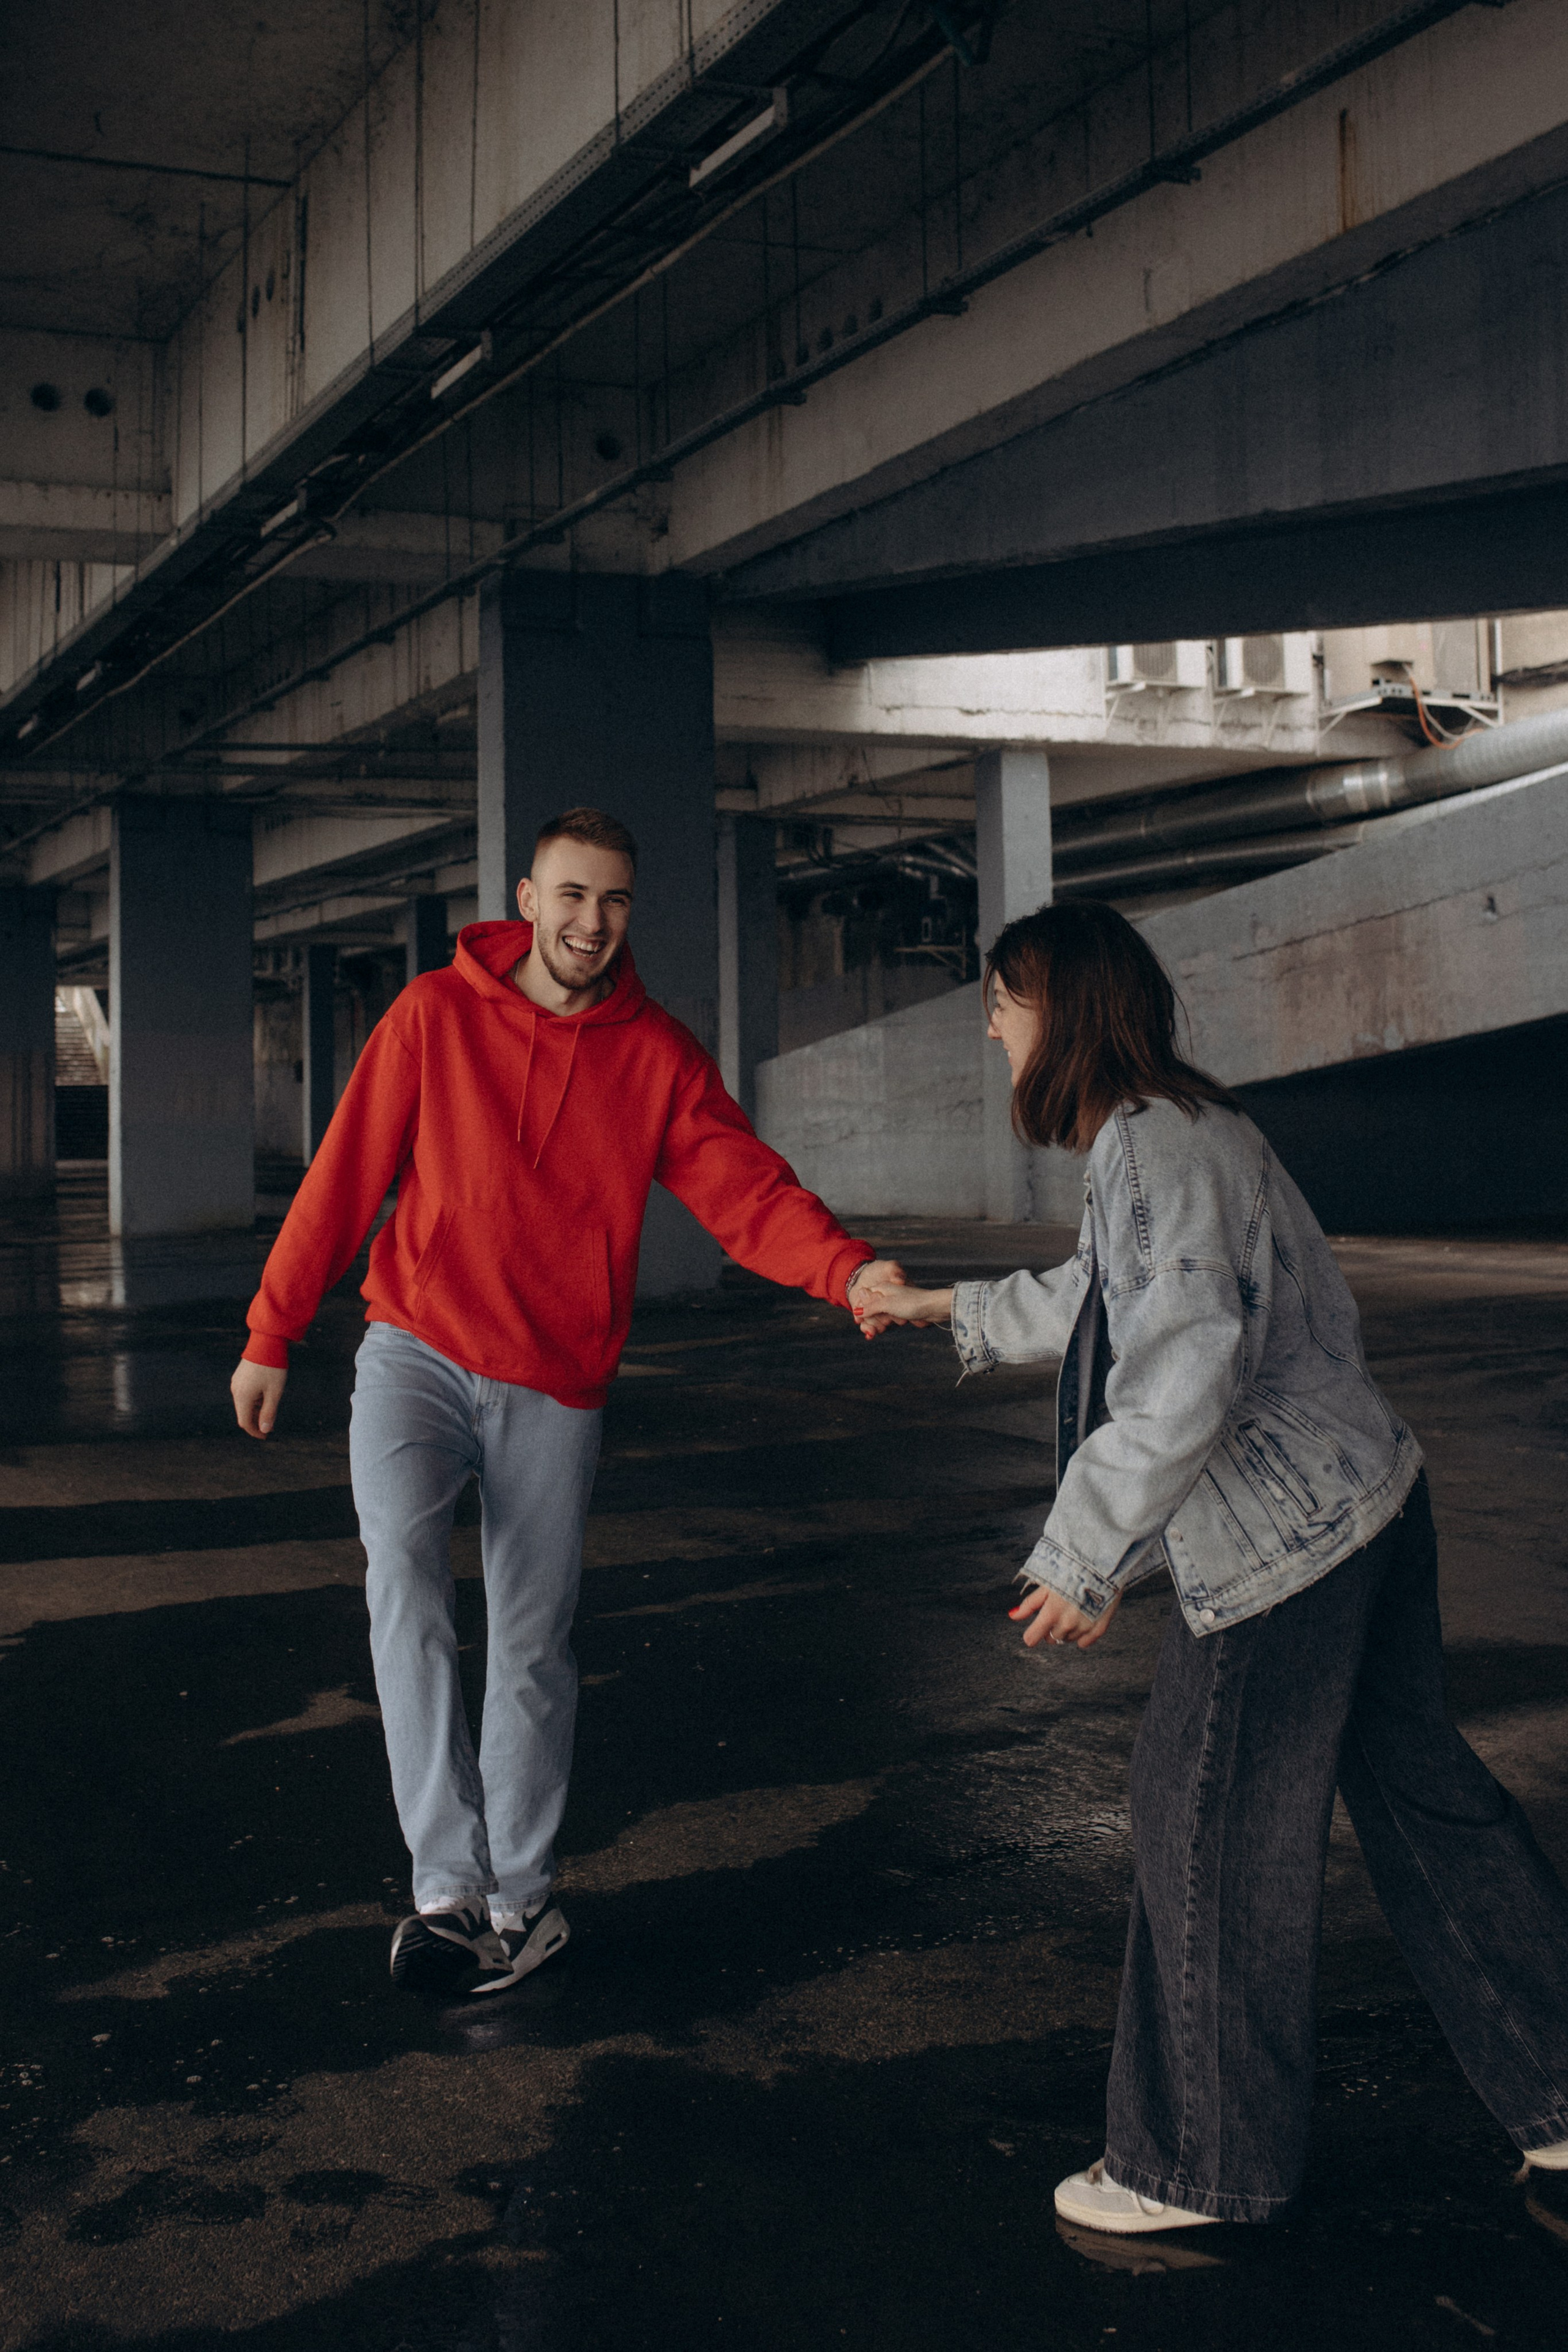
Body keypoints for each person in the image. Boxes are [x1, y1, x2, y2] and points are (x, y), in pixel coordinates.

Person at [854, 899, 1568, 2233]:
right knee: (1422, 1800)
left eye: (1006, 999)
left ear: (1064, 1011)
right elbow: (1096, 1300)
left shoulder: (1149, 1146)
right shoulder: (1186, 1133)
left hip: (1285, 1546)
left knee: (1204, 1825)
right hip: (1367, 1504)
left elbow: (1182, 1363)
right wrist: (937, 1304)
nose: (991, 1022)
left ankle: (1196, 2165)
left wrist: (1079, 1556)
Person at [231, 807, 897, 1998]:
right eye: (572, 896)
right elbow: (345, 1176)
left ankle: (519, 1903)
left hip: (555, 1382)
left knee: (532, 1647)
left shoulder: (656, 1057)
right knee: (405, 1587)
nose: (593, 923)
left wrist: (846, 1270)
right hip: (415, 1352)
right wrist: (272, 1328)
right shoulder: (433, 1018)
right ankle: (446, 1890)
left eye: (615, 902)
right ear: (528, 901)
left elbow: (746, 1192)